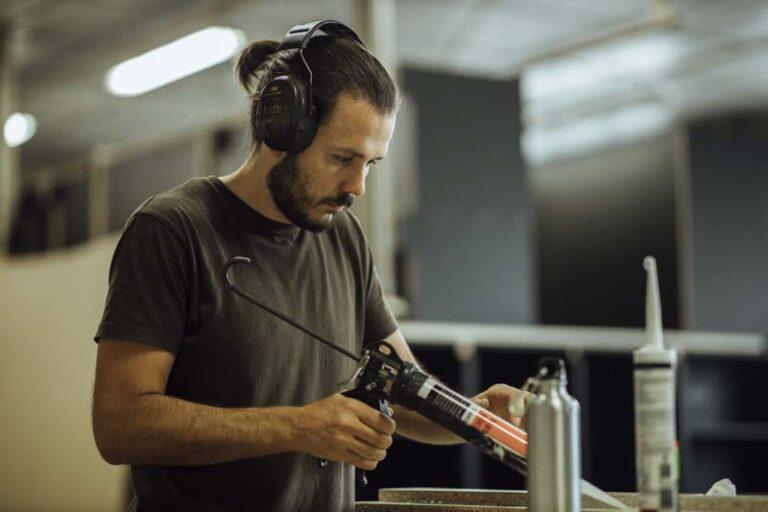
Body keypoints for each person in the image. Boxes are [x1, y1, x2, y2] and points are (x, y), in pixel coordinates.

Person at [91, 20, 528, 512]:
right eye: (342, 158)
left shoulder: (343, 237)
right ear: (280, 128)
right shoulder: (173, 229)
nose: (357, 186)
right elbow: (120, 425)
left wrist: (474, 416)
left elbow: (401, 390)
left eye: (371, 163)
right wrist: (296, 427)